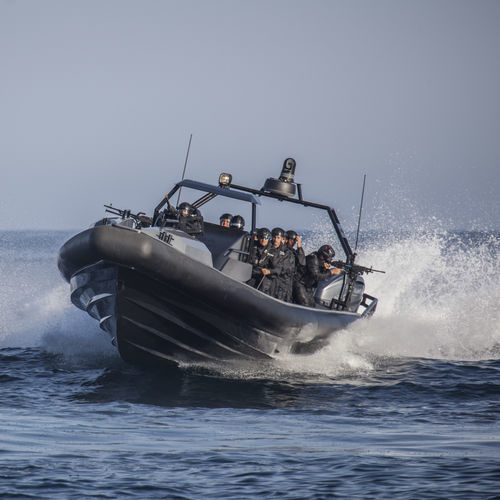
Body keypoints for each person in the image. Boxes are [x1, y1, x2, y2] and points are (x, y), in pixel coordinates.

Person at [247, 227, 276, 295]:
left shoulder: (273, 251)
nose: (263, 240)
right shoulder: (252, 247)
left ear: (269, 238)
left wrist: (269, 271)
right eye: (261, 238)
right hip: (253, 273)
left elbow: (276, 268)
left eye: (266, 238)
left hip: (266, 277)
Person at [285, 230, 306, 302]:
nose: (293, 242)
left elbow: (302, 262)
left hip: (291, 279)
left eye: (295, 241)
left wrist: (299, 246)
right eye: (291, 240)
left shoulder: (294, 252)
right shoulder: (283, 250)